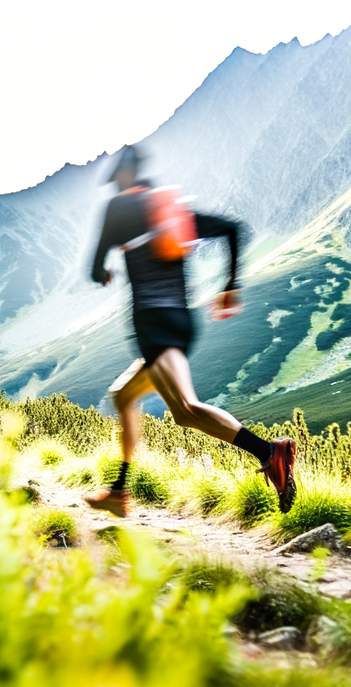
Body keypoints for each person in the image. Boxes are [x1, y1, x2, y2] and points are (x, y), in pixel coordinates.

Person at [82, 145, 297, 517]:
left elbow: (95, 267)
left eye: (116, 179)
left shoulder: (117, 209)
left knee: (185, 409)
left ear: (122, 176)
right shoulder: (171, 211)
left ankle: (270, 453)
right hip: (179, 321)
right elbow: (232, 229)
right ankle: (119, 492)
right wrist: (231, 286)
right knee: (122, 396)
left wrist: (106, 272)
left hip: (153, 325)